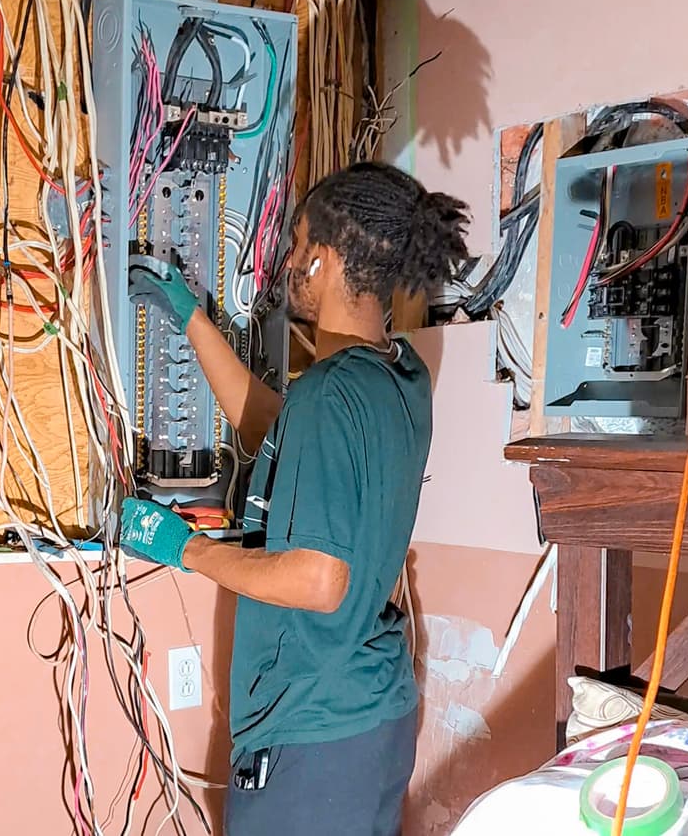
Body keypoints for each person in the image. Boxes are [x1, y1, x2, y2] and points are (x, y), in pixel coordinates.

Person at [123, 162, 470, 835]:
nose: (289, 259)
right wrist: (193, 321)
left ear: (326, 259)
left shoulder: (331, 392)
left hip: (315, 733)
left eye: (298, 242)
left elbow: (319, 578)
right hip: (367, 715)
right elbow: (277, 432)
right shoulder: (398, 374)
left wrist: (183, 547)